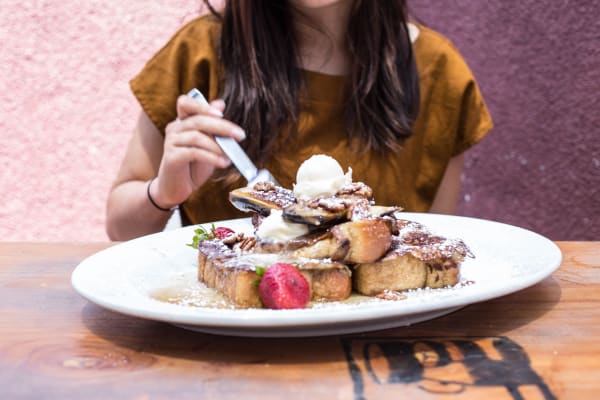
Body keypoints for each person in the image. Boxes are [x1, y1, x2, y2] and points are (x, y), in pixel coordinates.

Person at [106, 0, 493, 241]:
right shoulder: (200, 52)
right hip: (221, 350)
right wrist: (163, 193)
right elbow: (120, 227)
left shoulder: (437, 72)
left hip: (375, 353)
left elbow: (430, 245)